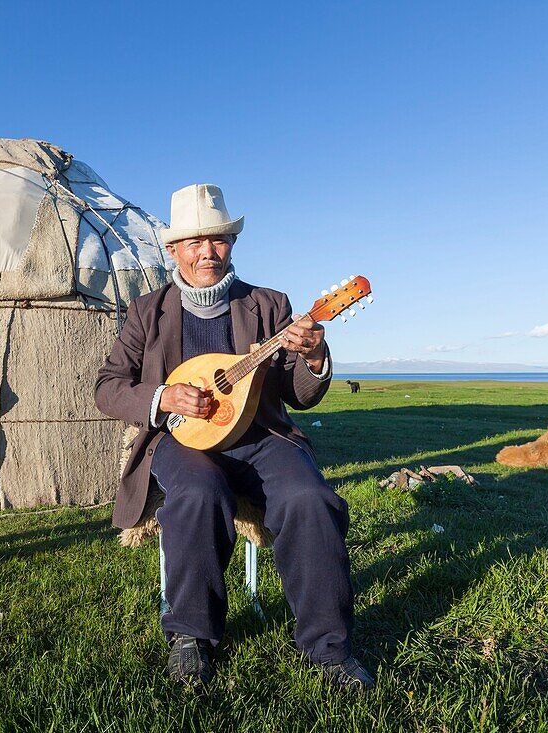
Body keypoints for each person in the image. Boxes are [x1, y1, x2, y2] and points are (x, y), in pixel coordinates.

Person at [95, 184, 373, 690]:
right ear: (174, 249)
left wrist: (313, 356)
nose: (207, 252)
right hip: (181, 441)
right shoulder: (146, 312)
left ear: (232, 244)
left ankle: (329, 649)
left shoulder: (270, 305)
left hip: (260, 436)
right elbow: (108, 387)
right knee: (201, 492)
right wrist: (163, 398)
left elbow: (298, 393)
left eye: (218, 240)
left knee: (311, 499)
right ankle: (191, 638)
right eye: (195, 242)